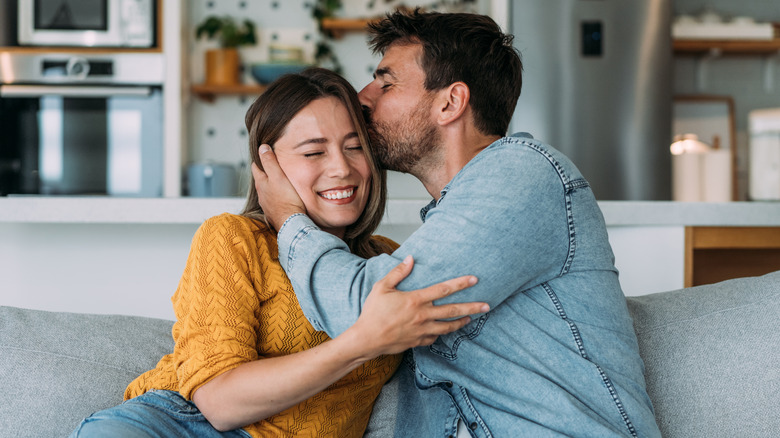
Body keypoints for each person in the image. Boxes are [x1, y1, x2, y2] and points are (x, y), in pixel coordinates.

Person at [252, 10, 663, 438]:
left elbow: (365, 313)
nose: (363, 97)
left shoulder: (522, 175)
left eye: (386, 82)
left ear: (450, 103)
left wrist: (290, 220)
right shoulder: (457, 219)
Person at [69, 67, 487, 438]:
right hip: (181, 423)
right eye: (313, 152)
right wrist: (362, 342)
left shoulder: (389, 262)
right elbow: (219, 404)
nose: (342, 167)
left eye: (354, 146)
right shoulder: (234, 238)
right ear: (267, 167)